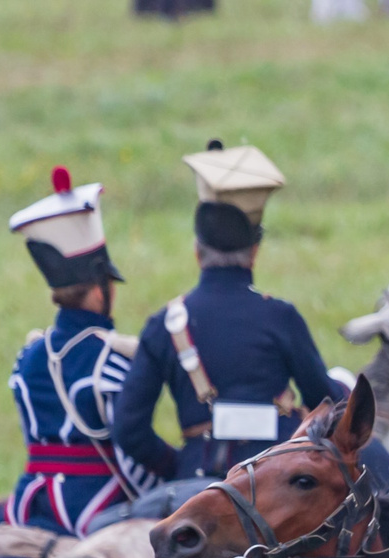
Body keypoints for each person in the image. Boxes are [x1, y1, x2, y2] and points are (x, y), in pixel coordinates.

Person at [111, 142, 337, 483]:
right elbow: (329, 403)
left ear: (196, 251)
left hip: (197, 481)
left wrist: (180, 466)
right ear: (255, 251)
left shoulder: (164, 324)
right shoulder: (281, 316)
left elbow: (129, 429)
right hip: (279, 488)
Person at [6, 168, 149, 534]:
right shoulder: (112, 359)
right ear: (101, 289)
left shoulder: (28, 357)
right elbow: (129, 455)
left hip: (28, 504)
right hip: (95, 506)